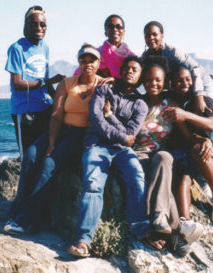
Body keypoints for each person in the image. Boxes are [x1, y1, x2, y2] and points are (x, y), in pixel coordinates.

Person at [4, 44, 106, 234]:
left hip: (79, 135)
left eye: (91, 61)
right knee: (32, 155)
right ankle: (16, 210)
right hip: (60, 131)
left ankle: (26, 221)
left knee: (49, 164)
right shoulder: (67, 83)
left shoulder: (102, 85)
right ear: (79, 63)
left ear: (98, 63)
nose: (87, 64)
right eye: (83, 61)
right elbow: (57, 115)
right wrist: (51, 143)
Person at [68, 56, 162, 258]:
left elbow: (132, 133)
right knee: (93, 183)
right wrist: (121, 135)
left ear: (140, 76)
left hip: (122, 150)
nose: (130, 71)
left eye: (135, 69)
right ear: (120, 71)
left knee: (136, 175)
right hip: (96, 145)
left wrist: (110, 116)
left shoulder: (140, 104)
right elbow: (95, 119)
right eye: (126, 68)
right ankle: (84, 240)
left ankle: (141, 229)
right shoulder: (104, 89)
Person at [133, 56, 199, 256]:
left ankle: (160, 216)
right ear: (144, 81)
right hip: (138, 154)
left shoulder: (171, 104)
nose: (153, 83)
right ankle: (176, 235)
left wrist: (202, 142)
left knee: (165, 158)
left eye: (158, 80)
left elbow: (186, 136)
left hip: (159, 154)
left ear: (164, 82)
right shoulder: (137, 102)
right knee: (164, 185)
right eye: (149, 80)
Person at [164, 66, 213, 224]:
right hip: (187, 152)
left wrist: (185, 115)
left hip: (205, 153)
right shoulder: (172, 102)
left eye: (188, 80)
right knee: (183, 177)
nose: (184, 83)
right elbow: (188, 137)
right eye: (179, 81)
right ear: (172, 84)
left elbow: (211, 125)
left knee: (199, 149)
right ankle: (186, 223)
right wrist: (180, 119)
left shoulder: (203, 100)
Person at [5, 5, 64, 158]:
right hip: (25, 113)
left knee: (46, 154)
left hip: (44, 108)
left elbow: (46, 80)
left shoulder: (45, 47)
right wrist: (46, 82)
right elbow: (17, 84)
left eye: (43, 24)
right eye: (34, 24)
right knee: (28, 159)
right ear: (27, 26)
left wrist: (60, 97)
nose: (39, 27)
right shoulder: (17, 49)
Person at [141, 20, 213, 113]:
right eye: (147, 35)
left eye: (154, 34)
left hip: (200, 83)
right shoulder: (145, 57)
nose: (151, 38)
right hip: (180, 89)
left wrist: (199, 97)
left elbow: (195, 69)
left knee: (204, 110)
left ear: (162, 36)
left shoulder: (173, 52)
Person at [74, 14, 135, 78]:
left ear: (124, 31)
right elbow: (81, 72)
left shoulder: (131, 57)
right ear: (105, 32)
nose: (114, 29)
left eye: (118, 26)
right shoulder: (97, 54)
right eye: (110, 27)